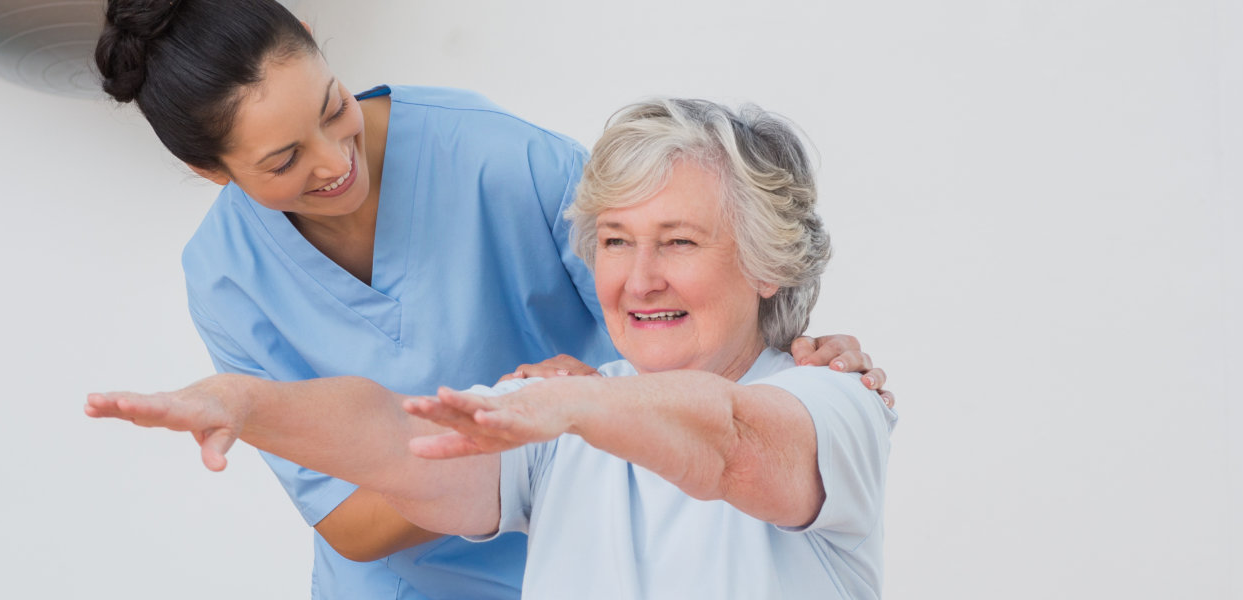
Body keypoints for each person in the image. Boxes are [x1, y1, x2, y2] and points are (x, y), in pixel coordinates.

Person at [94, 1, 892, 597]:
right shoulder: (556, 429)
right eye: (613, 242)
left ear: (768, 262)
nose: (638, 273)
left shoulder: (823, 406)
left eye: (678, 241)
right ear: (216, 174)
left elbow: (732, 438)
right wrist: (248, 402)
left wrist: (564, 412)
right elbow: (390, 443)